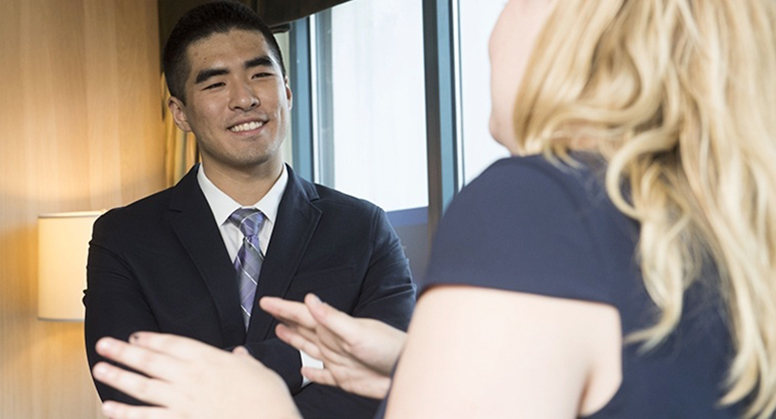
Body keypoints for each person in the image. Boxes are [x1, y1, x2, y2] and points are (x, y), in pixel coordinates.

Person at [89, 0, 776, 418]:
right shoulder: (710, 223)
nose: (492, 25)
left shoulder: (532, 207)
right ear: (178, 110)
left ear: (578, 32)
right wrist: (411, 363)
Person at [82, 2, 415, 418]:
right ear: (180, 113)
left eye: (260, 74)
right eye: (215, 84)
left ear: (287, 92)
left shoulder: (363, 228)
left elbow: (391, 374)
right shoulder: (125, 237)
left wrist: (215, 382)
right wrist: (306, 360)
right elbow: (130, 385)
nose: (244, 98)